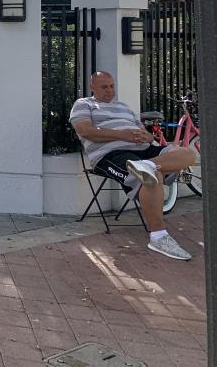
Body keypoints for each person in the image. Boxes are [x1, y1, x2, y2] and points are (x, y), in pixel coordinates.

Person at [70, 71, 199, 260]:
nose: (109, 90)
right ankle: (158, 237)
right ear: (93, 87)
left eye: (112, 86)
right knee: (150, 177)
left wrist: (145, 136)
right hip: (111, 155)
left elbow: (148, 137)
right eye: (104, 87)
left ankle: (146, 165)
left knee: (186, 153)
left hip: (144, 152)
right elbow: (84, 130)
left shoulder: (123, 107)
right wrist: (121, 135)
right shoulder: (84, 104)